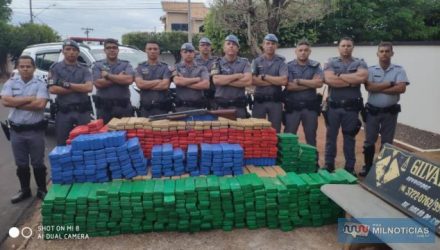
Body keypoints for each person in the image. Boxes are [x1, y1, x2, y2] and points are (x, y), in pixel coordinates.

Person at [1, 55, 49, 203]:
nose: (25, 69)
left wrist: (15, 102)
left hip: (35, 131)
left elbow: (40, 105)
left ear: (34, 68)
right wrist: (29, 99)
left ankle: (42, 189)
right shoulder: (10, 83)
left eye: (28, 66)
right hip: (17, 132)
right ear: (18, 68)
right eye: (22, 66)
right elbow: (5, 101)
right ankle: (25, 190)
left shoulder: (40, 84)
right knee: (21, 163)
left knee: (37, 162)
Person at [359, 42, 409, 177]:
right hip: (372, 112)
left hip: (390, 112)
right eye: (381, 51)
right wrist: (391, 84)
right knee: (369, 141)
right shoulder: (371, 70)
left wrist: (379, 87)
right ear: (377, 54)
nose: (384, 54)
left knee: (387, 142)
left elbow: (401, 89)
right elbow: (370, 88)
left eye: (387, 51)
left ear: (392, 53)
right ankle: (368, 166)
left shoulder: (399, 70)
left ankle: (382, 169)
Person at [323, 37, 368, 174]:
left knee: (350, 137)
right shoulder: (331, 62)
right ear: (339, 47)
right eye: (343, 45)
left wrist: (339, 76)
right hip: (333, 108)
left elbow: (362, 78)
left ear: (353, 47)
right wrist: (351, 81)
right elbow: (329, 80)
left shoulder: (360, 62)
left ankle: (350, 167)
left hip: (351, 109)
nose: (346, 48)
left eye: (348, 45)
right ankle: (329, 164)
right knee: (331, 137)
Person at [284, 40, 324, 165]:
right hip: (293, 107)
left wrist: (300, 81)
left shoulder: (316, 65)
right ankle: (287, 162)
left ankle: (313, 163)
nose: (303, 52)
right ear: (296, 51)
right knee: (289, 137)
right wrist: (310, 83)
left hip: (310, 108)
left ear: (309, 51)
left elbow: (319, 83)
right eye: (300, 50)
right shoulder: (289, 66)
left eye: (305, 50)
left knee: (311, 137)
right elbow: (289, 86)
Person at [49, 39, 93, 146]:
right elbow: (52, 89)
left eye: (74, 50)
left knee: (85, 143)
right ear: (63, 51)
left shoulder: (84, 69)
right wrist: (79, 87)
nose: (71, 52)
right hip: (64, 112)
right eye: (68, 49)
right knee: (62, 144)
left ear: (78, 52)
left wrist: (67, 85)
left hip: (82, 112)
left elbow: (88, 88)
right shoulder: (55, 68)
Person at [92, 38, 135, 124]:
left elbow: (129, 79)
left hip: (124, 108)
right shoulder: (98, 65)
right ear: (104, 50)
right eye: (109, 48)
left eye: (114, 47)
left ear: (118, 50)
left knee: (125, 135)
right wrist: (119, 78)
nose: (112, 50)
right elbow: (98, 83)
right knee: (104, 135)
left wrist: (108, 76)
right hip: (104, 109)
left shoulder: (126, 64)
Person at [251, 34, 288, 132]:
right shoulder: (256, 61)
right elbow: (252, 80)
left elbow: (284, 81)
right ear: (263, 45)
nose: (270, 46)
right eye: (268, 43)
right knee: (256, 130)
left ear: (276, 46)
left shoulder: (281, 62)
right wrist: (275, 81)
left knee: (275, 131)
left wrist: (264, 77)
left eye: (273, 43)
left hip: (275, 102)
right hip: (259, 101)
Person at [212, 34, 252, 118]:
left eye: (234, 44)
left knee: (240, 131)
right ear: (224, 48)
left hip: (239, 107)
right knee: (222, 131)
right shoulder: (217, 62)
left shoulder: (244, 63)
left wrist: (224, 81)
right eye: (228, 44)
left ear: (237, 48)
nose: (231, 46)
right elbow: (216, 81)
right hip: (222, 107)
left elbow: (248, 81)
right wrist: (237, 76)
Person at [135, 41, 172, 118]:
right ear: (145, 50)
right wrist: (157, 81)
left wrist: (146, 85)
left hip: (162, 109)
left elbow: (165, 85)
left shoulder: (165, 67)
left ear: (159, 51)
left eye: (155, 49)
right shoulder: (140, 67)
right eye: (150, 49)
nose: (152, 51)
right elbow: (140, 84)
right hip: (145, 109)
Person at [173, 43, 209, 111]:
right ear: (181, 53)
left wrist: (184, 82)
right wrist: (196, 79)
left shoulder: (202, 68)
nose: (188, 54)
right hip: (181, 108)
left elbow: (206, 85)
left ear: (194, 53)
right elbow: (177, 81)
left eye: (190, 51)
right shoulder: (176, 67)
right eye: (185, 52)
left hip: (198, 108)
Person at [195, 37, 218, 110]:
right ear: (199, 47)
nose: (205, 47)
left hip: (213, 96)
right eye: (203, 45)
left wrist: (201, 75)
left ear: (211, 47)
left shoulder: (216, 60)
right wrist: (210, 74)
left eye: (207, 45)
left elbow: (217, 75)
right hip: (197, 95)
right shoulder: (193, 61)